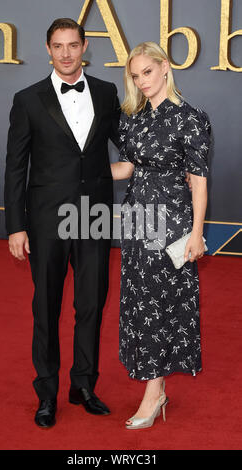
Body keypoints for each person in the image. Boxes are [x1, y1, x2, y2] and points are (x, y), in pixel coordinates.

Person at [4, 18, 120, 428]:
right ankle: (47, 392)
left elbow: (128, 144)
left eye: (73, 45)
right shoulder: (28, 99)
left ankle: (84, 385)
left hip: (95, 217)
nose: (67, 53)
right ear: (48, 49)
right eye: (59, 46)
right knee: (46, 306)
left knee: (91, 303)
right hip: (47, 220)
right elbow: (15, 167)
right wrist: (16, 226)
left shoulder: (107, 93)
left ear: (85, 46)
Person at [111, 42, 211, 430]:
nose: (142, 81)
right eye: (135, 76)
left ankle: (153, 394)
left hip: (172, 224)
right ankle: (156, 385)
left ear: (165, 68)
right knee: (140, 303)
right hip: (137, 222)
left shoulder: (191, 118)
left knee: (163, 304)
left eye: (147, 73)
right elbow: (127, 167)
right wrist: (81, 173)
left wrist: (197, 234)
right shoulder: (131, 117)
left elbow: (200, 182)